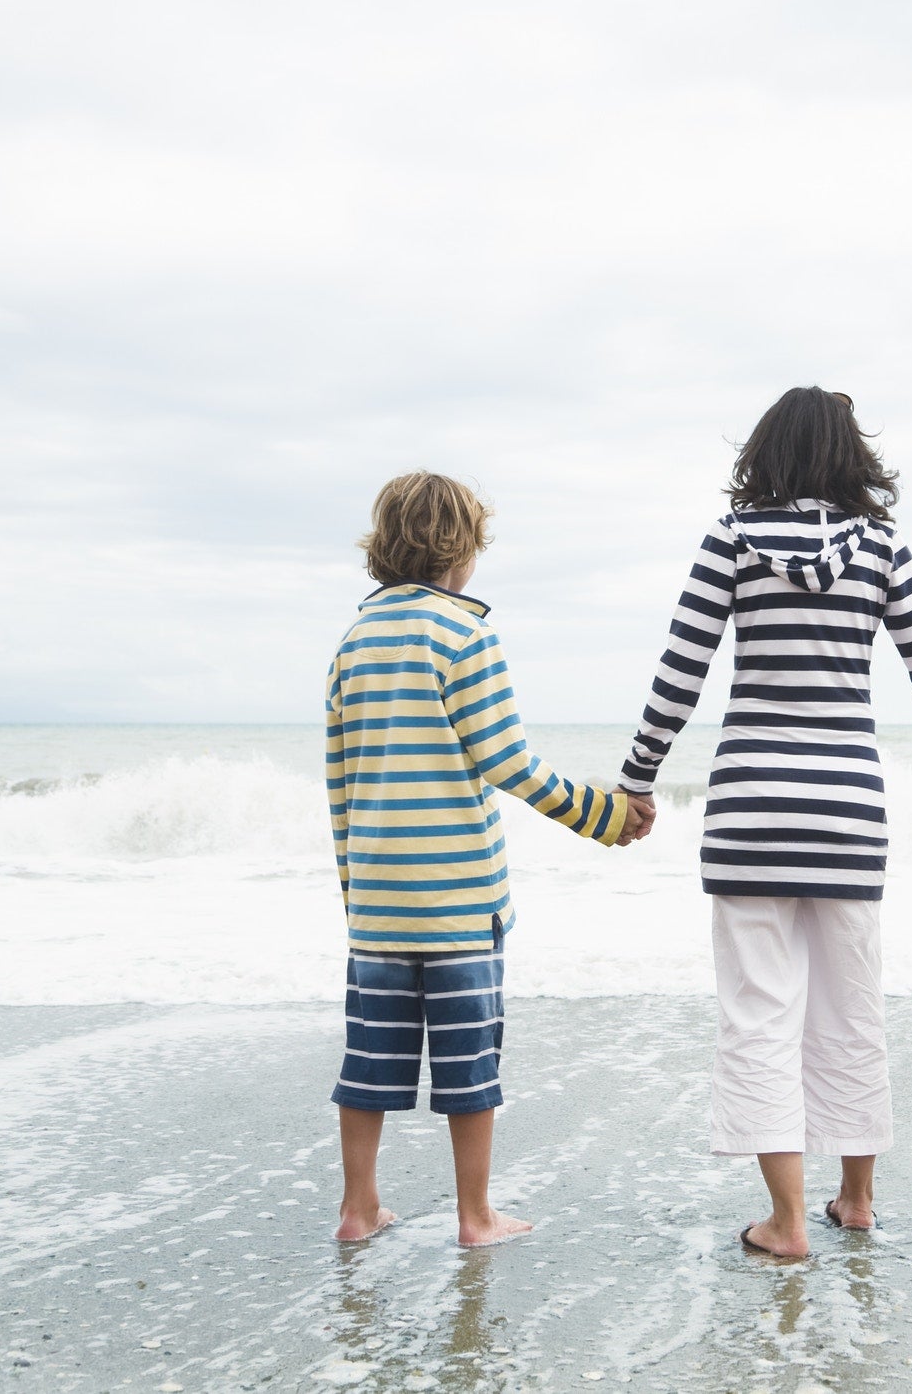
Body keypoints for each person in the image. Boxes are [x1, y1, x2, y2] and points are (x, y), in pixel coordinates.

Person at [617, 387, 912, 1259]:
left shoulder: (730, 541)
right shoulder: (883, 548)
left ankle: (785, 1221)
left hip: (748, 807)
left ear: (767, 452)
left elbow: (682, 669)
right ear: (850, 455)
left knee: (757, 1014)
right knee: (852, 1008)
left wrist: (638, 779)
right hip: (849, 813)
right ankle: (854, 1200)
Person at [325, 471, 643, 1246]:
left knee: (368, 1061)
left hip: (377, 902)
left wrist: (354, 887)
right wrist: (604, 814)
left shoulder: (352, 641)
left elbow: (340, 781)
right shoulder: (466, 635)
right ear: (461, 551)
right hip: (460, 902)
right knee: (469, 1065)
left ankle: (358, 1209)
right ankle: (475, 1215)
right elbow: (511, 762)